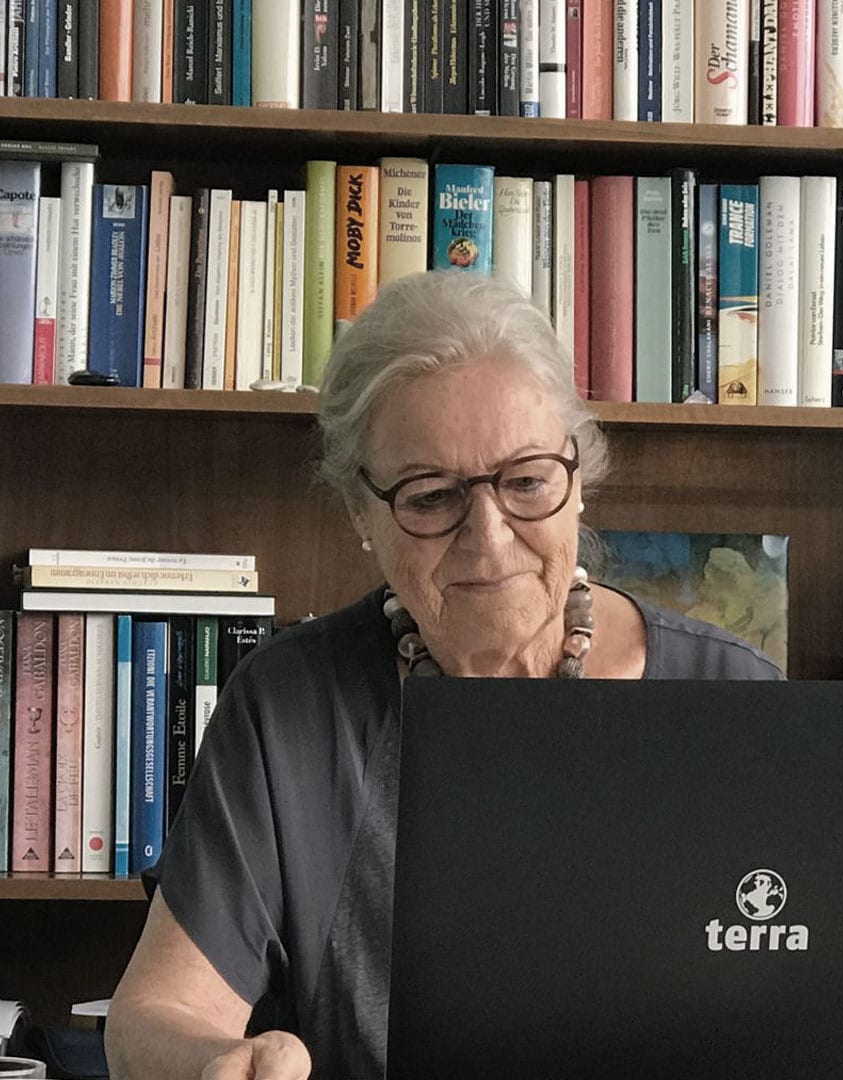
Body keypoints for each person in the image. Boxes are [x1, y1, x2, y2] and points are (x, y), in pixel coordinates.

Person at [104, 270, 782, 1080]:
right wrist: (227, 1062)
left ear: (579, 478)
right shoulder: (288, 708)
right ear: (361, 512)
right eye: (431, 497)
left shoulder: (736, 695)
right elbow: (151, 1017)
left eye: (527, 481)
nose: (488, 538)